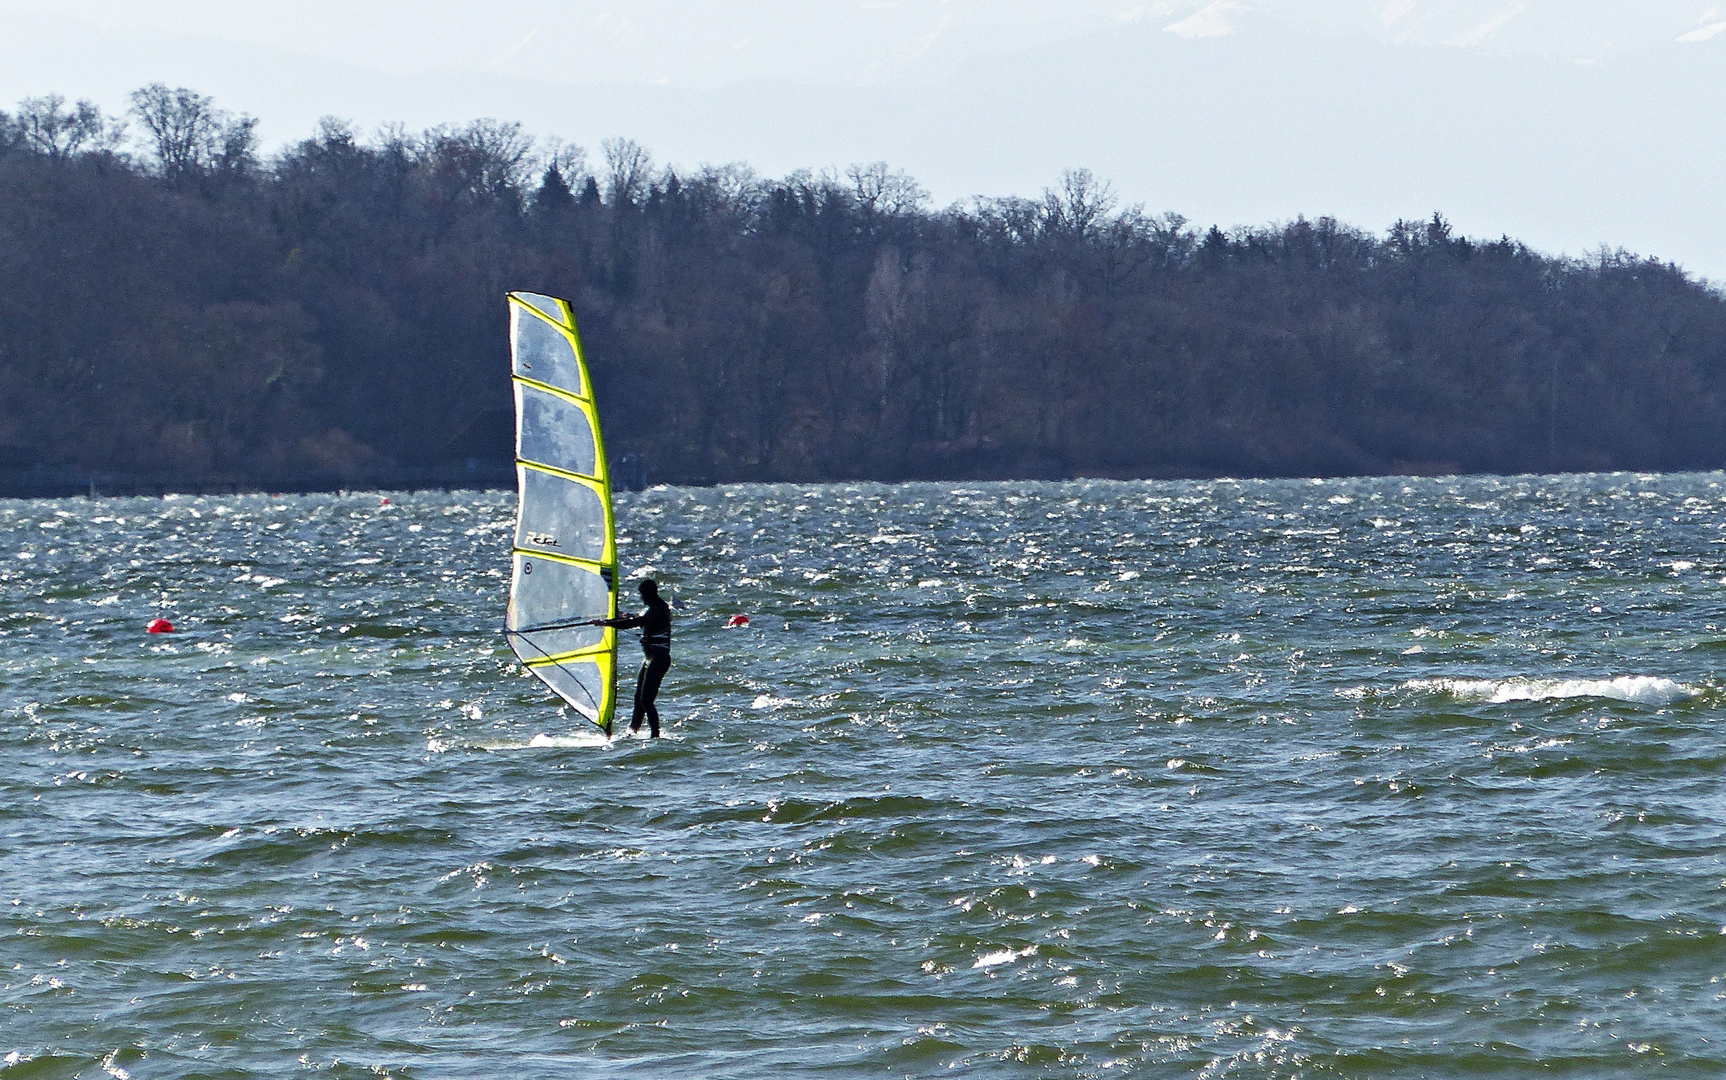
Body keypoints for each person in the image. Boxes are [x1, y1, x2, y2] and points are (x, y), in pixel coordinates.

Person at [590, 578, 672, 737]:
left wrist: (607, 624)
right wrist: (629, 616)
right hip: (649, 659)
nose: (642, 598)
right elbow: (642, 620)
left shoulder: (659, 608)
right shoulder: (653, 609)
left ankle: (656, 735)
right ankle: (633, 731)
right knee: (638, 699)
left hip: (659, 659)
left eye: (642, 594)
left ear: (650, 593)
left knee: (646, 700)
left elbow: (639, 622)